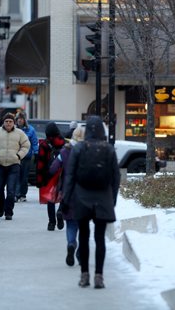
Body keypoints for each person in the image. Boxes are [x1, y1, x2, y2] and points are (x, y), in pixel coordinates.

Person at [62, 115, 120, 289]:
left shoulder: (79, 148)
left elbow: (70, 175)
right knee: (100, 238)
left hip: (82, 196)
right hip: (102, 197)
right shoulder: (109, 149)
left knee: (84, 237)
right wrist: (113, 199)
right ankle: (99, 276)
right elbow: (115, 177)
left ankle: (84, 275)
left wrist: (66, 199)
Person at [49, 126, 85, 266]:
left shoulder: (65, 151)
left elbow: (53, 168)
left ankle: (71, 244)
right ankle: (81, 252)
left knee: (70, 222)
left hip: (68, 191)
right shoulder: (90, 152)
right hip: (85, 192)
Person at [0, 112, 30, 220]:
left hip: (14, 165)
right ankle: (1, 207)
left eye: (10, 121)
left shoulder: (20, 133)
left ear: (14, 123)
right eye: (6, 121)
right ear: (3, 122)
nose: (8, 123)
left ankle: (9, 212)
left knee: (11, 191)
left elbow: (26, 145)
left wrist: (19, 156)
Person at [36, 122, 66, 231]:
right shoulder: (63, 143)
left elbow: (40, 163)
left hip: (50, 174)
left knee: (51, 198)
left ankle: (51, 223)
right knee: (63, 195)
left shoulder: (44, 144)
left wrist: (39, 179)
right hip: (63, 173)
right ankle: (61, 212)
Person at [15, 111, 39, 202]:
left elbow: (34, 142)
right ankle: (16, 194)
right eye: (18, 119)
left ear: (24, 120)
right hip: (16, 157)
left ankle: (23, 194)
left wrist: (36, 153)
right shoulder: (14, 129)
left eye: (21, 118)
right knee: (16, 176)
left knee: (24, 177)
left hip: (26, 156)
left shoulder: (30, 130)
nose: (19, 120)